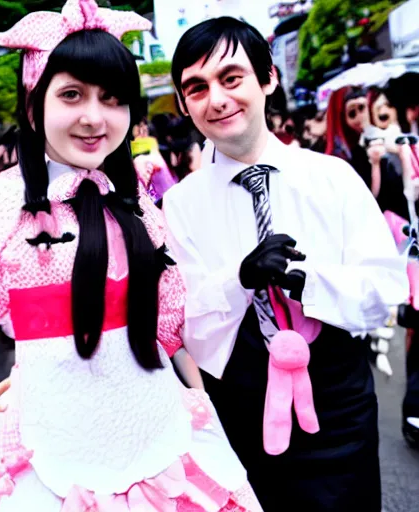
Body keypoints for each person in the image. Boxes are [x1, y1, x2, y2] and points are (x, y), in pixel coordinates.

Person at [0, 2, 262, 510]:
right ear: (34, 105)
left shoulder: (137, 202)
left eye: (112, 98)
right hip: (47, 434)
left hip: (154, 419)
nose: (94, 117)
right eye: (72, 94)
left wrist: (198, 388)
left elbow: (168, 319)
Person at [164, 16, 408, 512]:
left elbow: (385, 286)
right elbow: (184, 323)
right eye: (197, 87)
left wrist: (311, 281)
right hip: (240, 404)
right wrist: (241, 279)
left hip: (338, 399)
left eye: (231, 78)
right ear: (185, 103)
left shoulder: (333, 177)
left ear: (267, 79)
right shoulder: (180, 204)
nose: (217, 99)